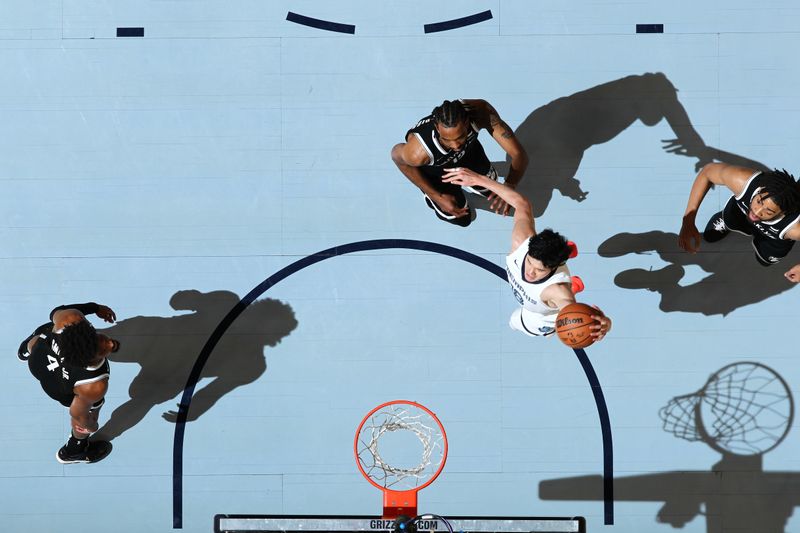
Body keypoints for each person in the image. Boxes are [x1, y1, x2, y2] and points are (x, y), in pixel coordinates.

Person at [442, 167, 611, 340]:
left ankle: (572, 288)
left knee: (514, 322)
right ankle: (570, 270)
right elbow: (521, 203)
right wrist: (478, 179)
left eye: (540, 270)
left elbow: (569, 306)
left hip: (540, 317)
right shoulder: (521, 241)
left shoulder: (556, 291)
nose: (531, 272)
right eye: (530, 262)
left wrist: (604, 324)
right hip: (534, 295)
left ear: (553, 268)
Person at [391, 99, 528, 227]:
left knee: (497, 192)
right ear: (438, 129)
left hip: (469, 154)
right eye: (447, 140)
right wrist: (436, 196)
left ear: (467, 123)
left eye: (460, 137)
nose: (455, 145)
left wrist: (509, 185)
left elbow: (518, 154)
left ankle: (477, 179)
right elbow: (397, 156)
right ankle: (430, 197)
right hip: (438, 172)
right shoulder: (418, 152)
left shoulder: (481, 112)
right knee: (462, 219)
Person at [18, 302, 119, 464]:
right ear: (88, 360)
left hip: (38, 361)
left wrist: (95, 307)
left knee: (41, 339)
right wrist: (91, 426)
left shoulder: (69, 319)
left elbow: (56, 311)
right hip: (59, 389)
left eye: (100, 338)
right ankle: (72, 451)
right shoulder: (93, 385)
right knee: (92, 411)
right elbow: (78, 415)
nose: (110, 343)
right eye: (102, 350)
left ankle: (24, 349)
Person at [677, 163, 800, 281]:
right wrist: (688, 220)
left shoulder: (794, 229)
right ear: (760, 190)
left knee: (764, 261)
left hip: (774, 237)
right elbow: (708, 172)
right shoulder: (742, 181)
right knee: (720, 228)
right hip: (740, 215)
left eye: (768, 212)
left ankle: (762, 248)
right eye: (759, 202)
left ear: (782, 213)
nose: (757, 212)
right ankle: (727, 222)